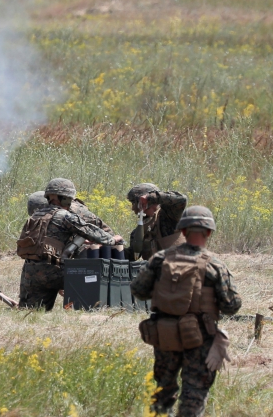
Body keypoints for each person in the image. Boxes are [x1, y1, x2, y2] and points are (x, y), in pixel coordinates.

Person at [131, 206, 242, 416]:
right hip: (200, 337)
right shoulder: (215, 265)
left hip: (164, 335)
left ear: (182, 231)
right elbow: (231, 306)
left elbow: (138, 291)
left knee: (162, 392)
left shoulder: (160, 259)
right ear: (209, 232)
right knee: (194, 395)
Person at [16, 178, 123, 310]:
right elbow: (90, 231)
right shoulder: (64, 216)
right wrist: (113, 239)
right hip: (55, 271)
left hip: (31, 273)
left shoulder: (35, 216)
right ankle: (83, 309)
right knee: (90, 278)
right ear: (65, 199)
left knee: (31, 312)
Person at [125, 183, 188, 261]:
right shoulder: (139, 232)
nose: (133, 208)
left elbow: (181, 199)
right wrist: (110, 244)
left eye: (134, 203)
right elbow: (133, 256)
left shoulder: (168, 216)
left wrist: (151, 197)